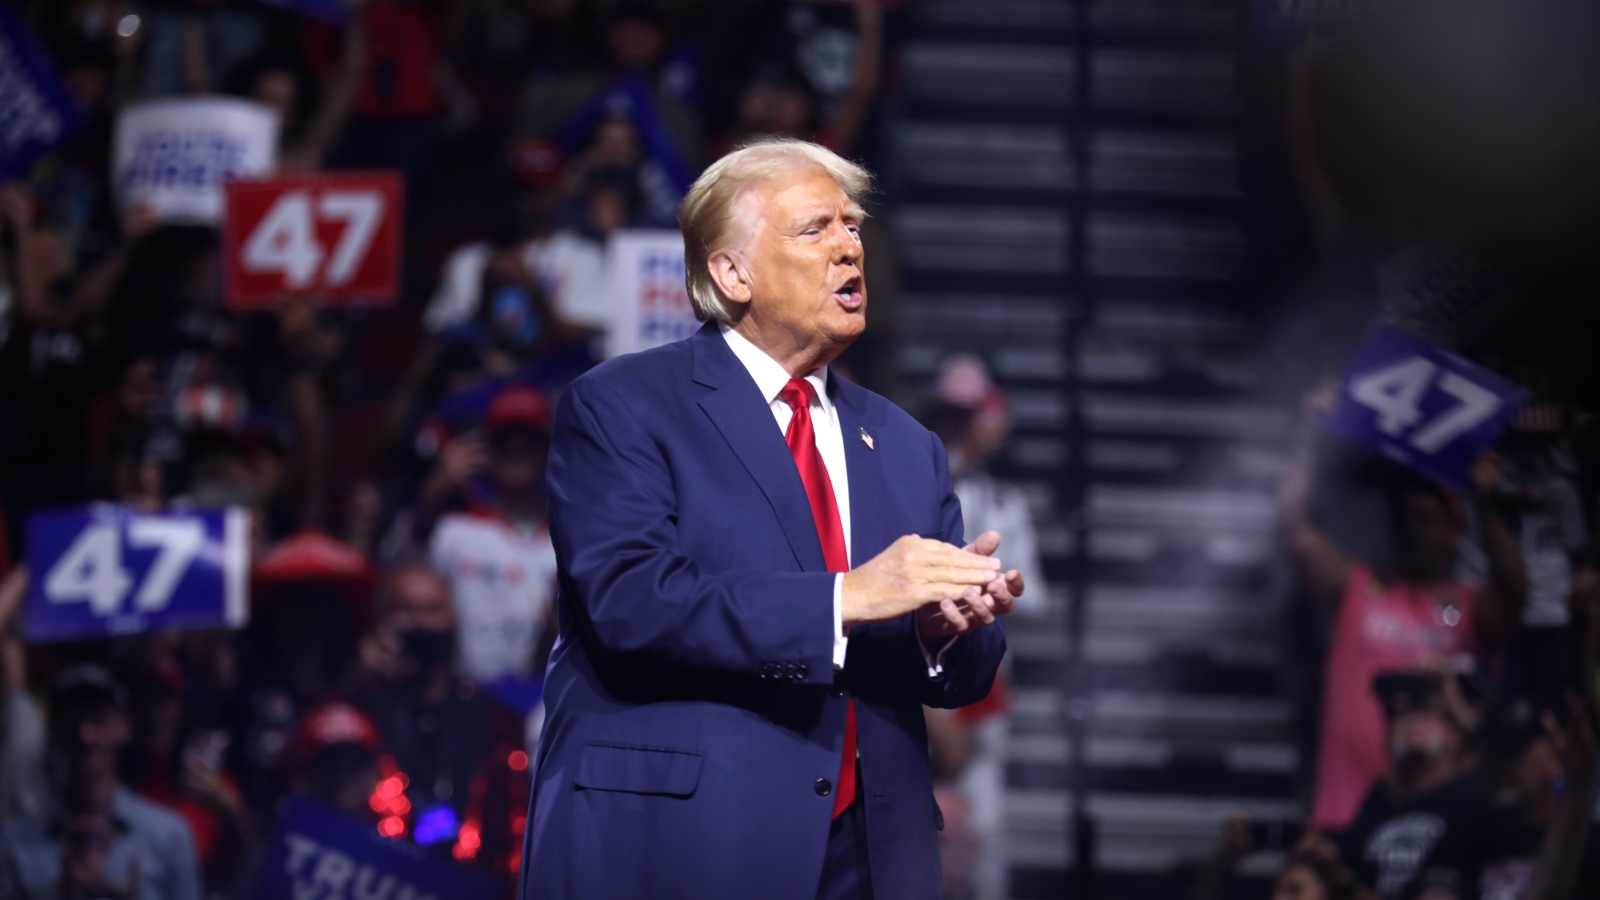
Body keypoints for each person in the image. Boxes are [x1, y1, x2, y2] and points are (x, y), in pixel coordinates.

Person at [518, 139, 1022, 899]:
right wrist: (845, 598)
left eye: (852, 226)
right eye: (816, 229)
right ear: (732, 274)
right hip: (687, 843)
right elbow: (631, 602)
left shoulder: (906, 445)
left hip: (870, 859)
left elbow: (964, 673)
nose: (849, 247)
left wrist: (940, 630)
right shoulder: (623, 404)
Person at [1279, 382, 1526, 829]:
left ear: (1455, 529)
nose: (1409, 531)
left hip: (1437, 826)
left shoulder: (1455, 610)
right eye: (1401, 518)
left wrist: (1486, 507)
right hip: (1346, 821)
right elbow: (1296, 531)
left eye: (1424, 518)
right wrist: (1310, 439)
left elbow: (1513, 593)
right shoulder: (1362, 592)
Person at [0, 665, 201, 900]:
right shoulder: (15, 841)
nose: (85, 735)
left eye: (98, 719)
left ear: (123, 727)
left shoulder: (169, 836)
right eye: (72, 720)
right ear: (54, 731)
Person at [427, 386, 560, 686]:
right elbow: (400, 585)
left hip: (544, 700)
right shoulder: (454, 530)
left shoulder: (571, 538)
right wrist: (429, 498)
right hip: (467, 699)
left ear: (548, 448)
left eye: (528, 438)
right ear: (485, 449)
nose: (516, 446)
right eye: (504, 438)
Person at [1413, 694, 1598, 900]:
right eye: (1493, 749)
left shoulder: (1588, 841)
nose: (1500, 763)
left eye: (1514, 751)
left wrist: (1579, 786)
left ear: (1554, 757)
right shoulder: (1465, 836)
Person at [358, 565, 501, 827]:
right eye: (405, 609)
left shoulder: (482, 713)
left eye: (433, 610)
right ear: (381, 618)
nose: (421, 622)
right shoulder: (362, 704)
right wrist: (360, 676)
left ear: (453, 619)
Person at [1336, 671, 1485, 899]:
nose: (1410, 720)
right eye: (1396, 713)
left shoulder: (1474, 796)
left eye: (1423, 708)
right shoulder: (1378, 797)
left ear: (1455, 733)